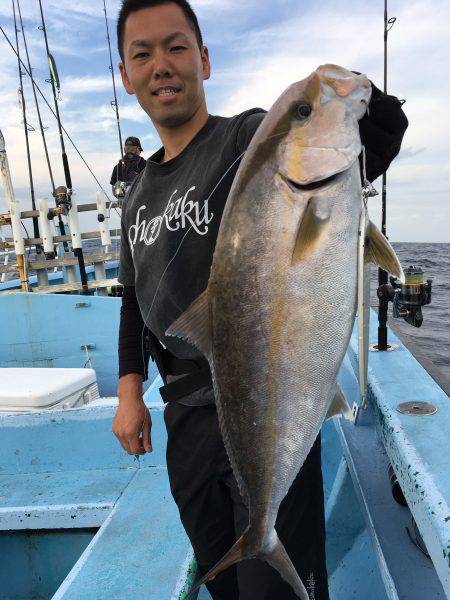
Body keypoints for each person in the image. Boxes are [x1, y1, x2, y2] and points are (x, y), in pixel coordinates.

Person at [112, 1, 408, 598]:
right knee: (223, 579)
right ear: (126, 76)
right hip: (183, 417)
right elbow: (131, 301)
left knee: (274, 590)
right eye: (141, 54)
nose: (160, 66)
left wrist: (365, 113)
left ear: (205, 60)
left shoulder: (249, 139)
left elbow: (357, 142)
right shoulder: (136, 195)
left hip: (268, 393)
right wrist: (128, 394)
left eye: (175, 47)